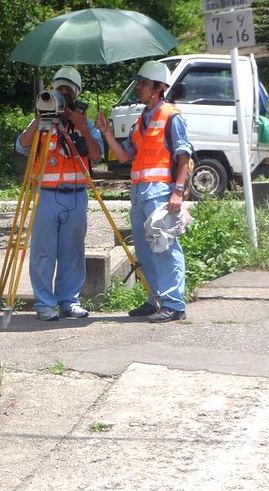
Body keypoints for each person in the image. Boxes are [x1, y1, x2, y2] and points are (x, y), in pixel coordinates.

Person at [96, 61, 192, 323]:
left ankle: (174, 303)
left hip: (160, 192)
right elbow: (125, 156)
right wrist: (106, 132)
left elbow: (184, 156)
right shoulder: (142, 120)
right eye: (139, 83)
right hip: (140, 193)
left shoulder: (172, 116)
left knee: (165, 246)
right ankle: (155, 299)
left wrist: (178, 193)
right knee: (145, 249)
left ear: (159, 88)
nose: (139, 87)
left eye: (143, 83)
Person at [16, 66, 103, 321]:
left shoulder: (82, 123)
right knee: (43, 253)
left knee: (72, 252)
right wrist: (39, 118)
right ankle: (45, 304)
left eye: (68, 91)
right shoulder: (43, 123)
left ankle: (69, 301)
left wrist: (80, 125)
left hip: (76, 195)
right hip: (46, 195)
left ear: (76, 94)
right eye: (59, 90)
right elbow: (22, 146)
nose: (63, 95)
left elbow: (97, 154)